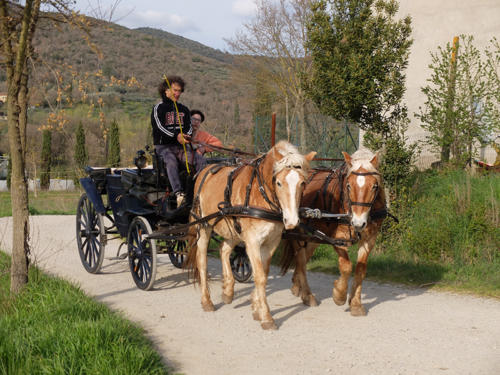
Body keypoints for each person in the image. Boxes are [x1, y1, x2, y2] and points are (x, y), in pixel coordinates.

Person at [151, 76, 206, 207]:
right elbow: (159, 127)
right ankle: (178, 193)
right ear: (166, 90)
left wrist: (185, 136)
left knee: (200, 160)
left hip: (180, 147)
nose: (177, 93)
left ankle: (201, 190)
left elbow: (188, 127)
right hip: (163, 147)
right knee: (170, 160)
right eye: (174, 90)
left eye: (179, 91)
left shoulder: (184, 109)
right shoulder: (158, 108)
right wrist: (176, 136)